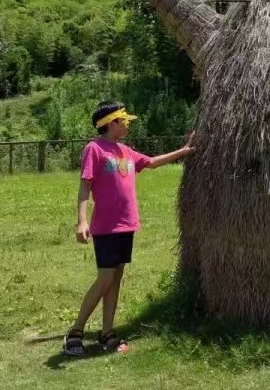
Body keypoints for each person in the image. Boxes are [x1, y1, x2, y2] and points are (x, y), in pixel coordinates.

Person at [62, 101, 194, 357]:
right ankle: (75, 332)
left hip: (126, 225)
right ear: (111, 123)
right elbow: (85, 185)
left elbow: (152, 162)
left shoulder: (126, 151)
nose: (128, 124)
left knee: (116, 279)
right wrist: (81, 220)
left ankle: (107, 332)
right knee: (105, 279)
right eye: (124, 121)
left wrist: (184, 151)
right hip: (106, 227)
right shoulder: (95, 149)